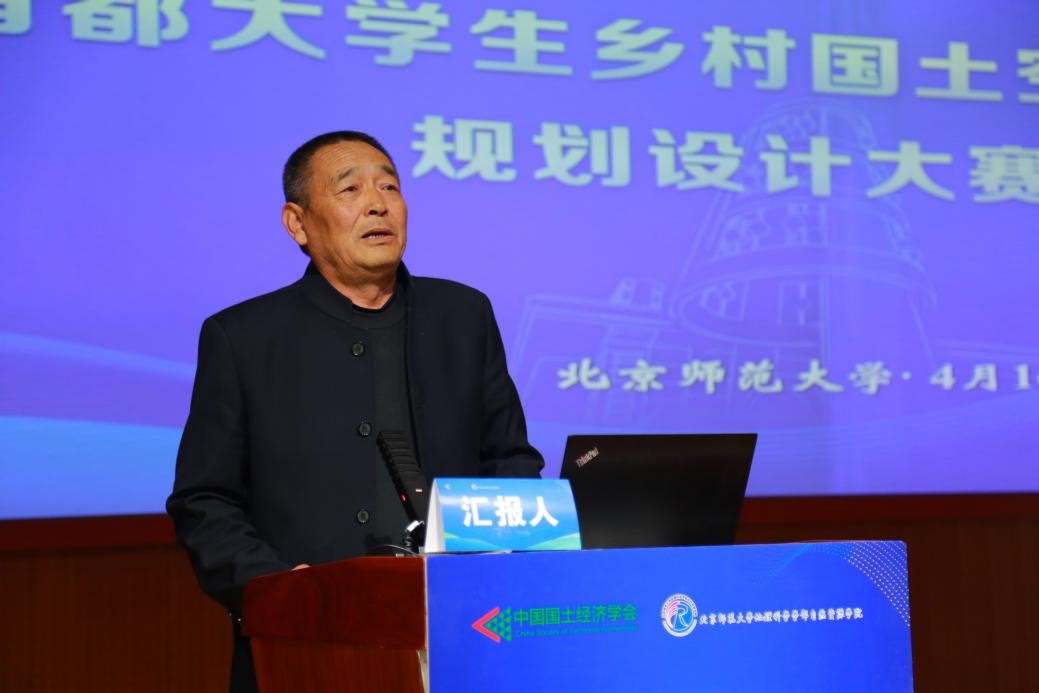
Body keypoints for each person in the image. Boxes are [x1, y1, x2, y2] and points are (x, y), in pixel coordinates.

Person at [166, 130, 544, 692]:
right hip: (308, 645)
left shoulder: (462, 316)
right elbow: (205, 499)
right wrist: (278, 586)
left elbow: (511, 462)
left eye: (389, 187)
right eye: (350, 190)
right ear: (297, 223)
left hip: (462, 635)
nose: (377, 204)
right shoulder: (243, 338)